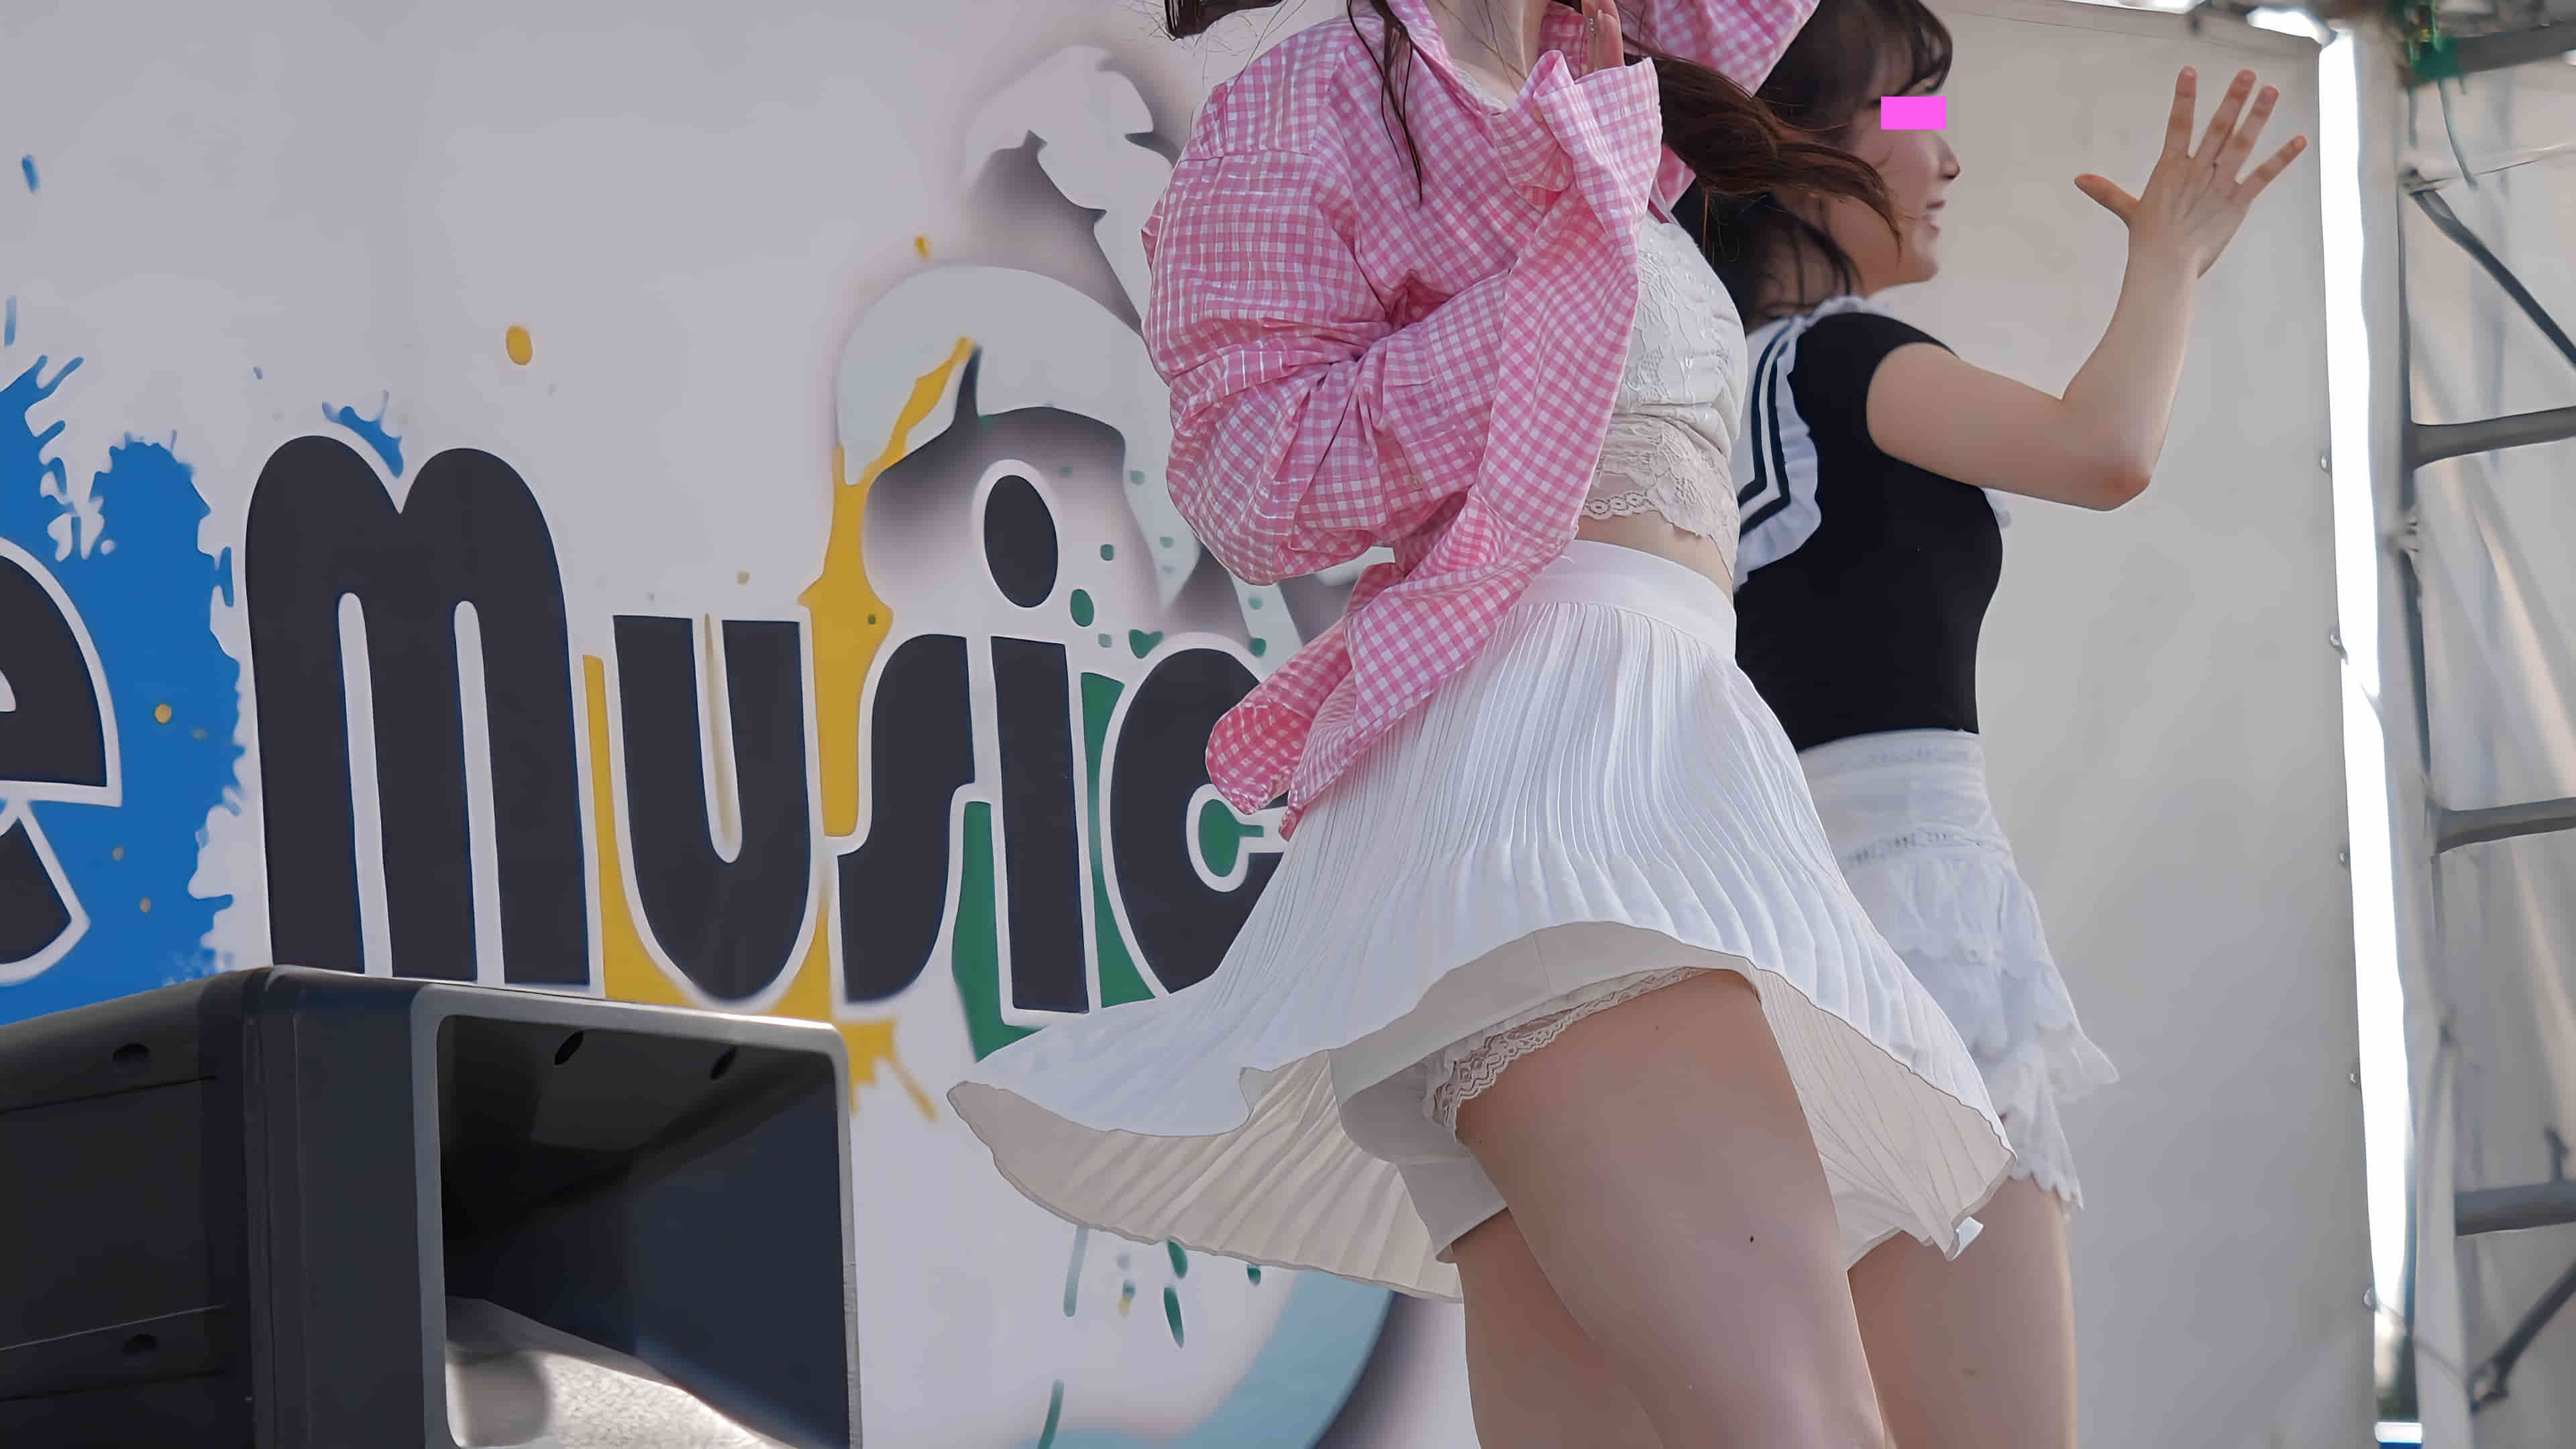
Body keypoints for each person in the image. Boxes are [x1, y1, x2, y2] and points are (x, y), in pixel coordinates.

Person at [951, 3, 2017, 1442]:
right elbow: (1257, 483)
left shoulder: (1611, 77)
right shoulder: (1326, 101)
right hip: (1556, 816)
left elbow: (1887, 84)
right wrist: (1549, 306)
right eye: (1908, 118)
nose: (1934, 141)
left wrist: (1925, 130)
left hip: (1651, 790)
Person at [1679, 1, 2308, 1442]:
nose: (1945, 155)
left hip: (1758, 944)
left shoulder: (1704, 392)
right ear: (1795, 152)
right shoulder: (1841, 361)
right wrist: (2169, 257)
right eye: (1908, 115)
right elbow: (2106, 448)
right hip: (1908, 924)